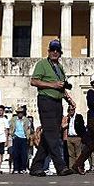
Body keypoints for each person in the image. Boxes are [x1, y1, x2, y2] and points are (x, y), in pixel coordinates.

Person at [28, 39, 74, 177]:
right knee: (51, 134)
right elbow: (34, 81)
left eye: (57, 50)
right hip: (46, 100)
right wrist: (52, 85)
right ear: (48, 51)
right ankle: (60, 166)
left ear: (60, 53)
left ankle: (36, 166)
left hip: (57, 102)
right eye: (52, 50)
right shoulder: (42, 64)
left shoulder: (59, 68)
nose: (55, 52)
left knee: (50, 135)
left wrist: (69, 99)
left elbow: (61, 86)